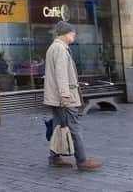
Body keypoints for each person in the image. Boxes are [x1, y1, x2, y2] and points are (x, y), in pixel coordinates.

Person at [44, 21, 102, 170]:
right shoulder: (60, 49)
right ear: (65, 33)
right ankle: (82, 160)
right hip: (64, 97)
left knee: (59, 126)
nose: (74, 35)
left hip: (56, 97)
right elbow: (61, 74)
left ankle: (54, 157)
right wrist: (65, 95)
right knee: (73, 127)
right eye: (72, 33)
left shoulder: (54, 47)